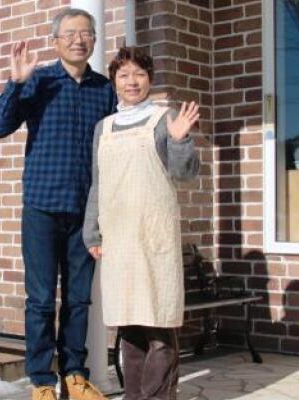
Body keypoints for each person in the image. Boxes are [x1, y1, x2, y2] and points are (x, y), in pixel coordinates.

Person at [0, 8, 116, 400]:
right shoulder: (39, 79)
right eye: (71, 33)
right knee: (42, 300)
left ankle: (75, 374)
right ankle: (42, 380)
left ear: (94, 40)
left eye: (87, 33)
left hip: (85, 213)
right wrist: (16, 83)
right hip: (42, 208)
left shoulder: (104, 89)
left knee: (79, 299)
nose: (80, 39)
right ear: (56, 41)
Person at [82, 47, 200, 400]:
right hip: (119, 239)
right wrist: (92, 232)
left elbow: (185, 173)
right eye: (123, 75)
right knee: (130, 326)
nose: (132, 82)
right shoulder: (103, 127)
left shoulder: (166, 118)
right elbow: (98, 185)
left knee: (159, 325)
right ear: (114, 82)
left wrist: (179, 140)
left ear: (149, 79)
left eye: (139, 74)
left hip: (154, 235)